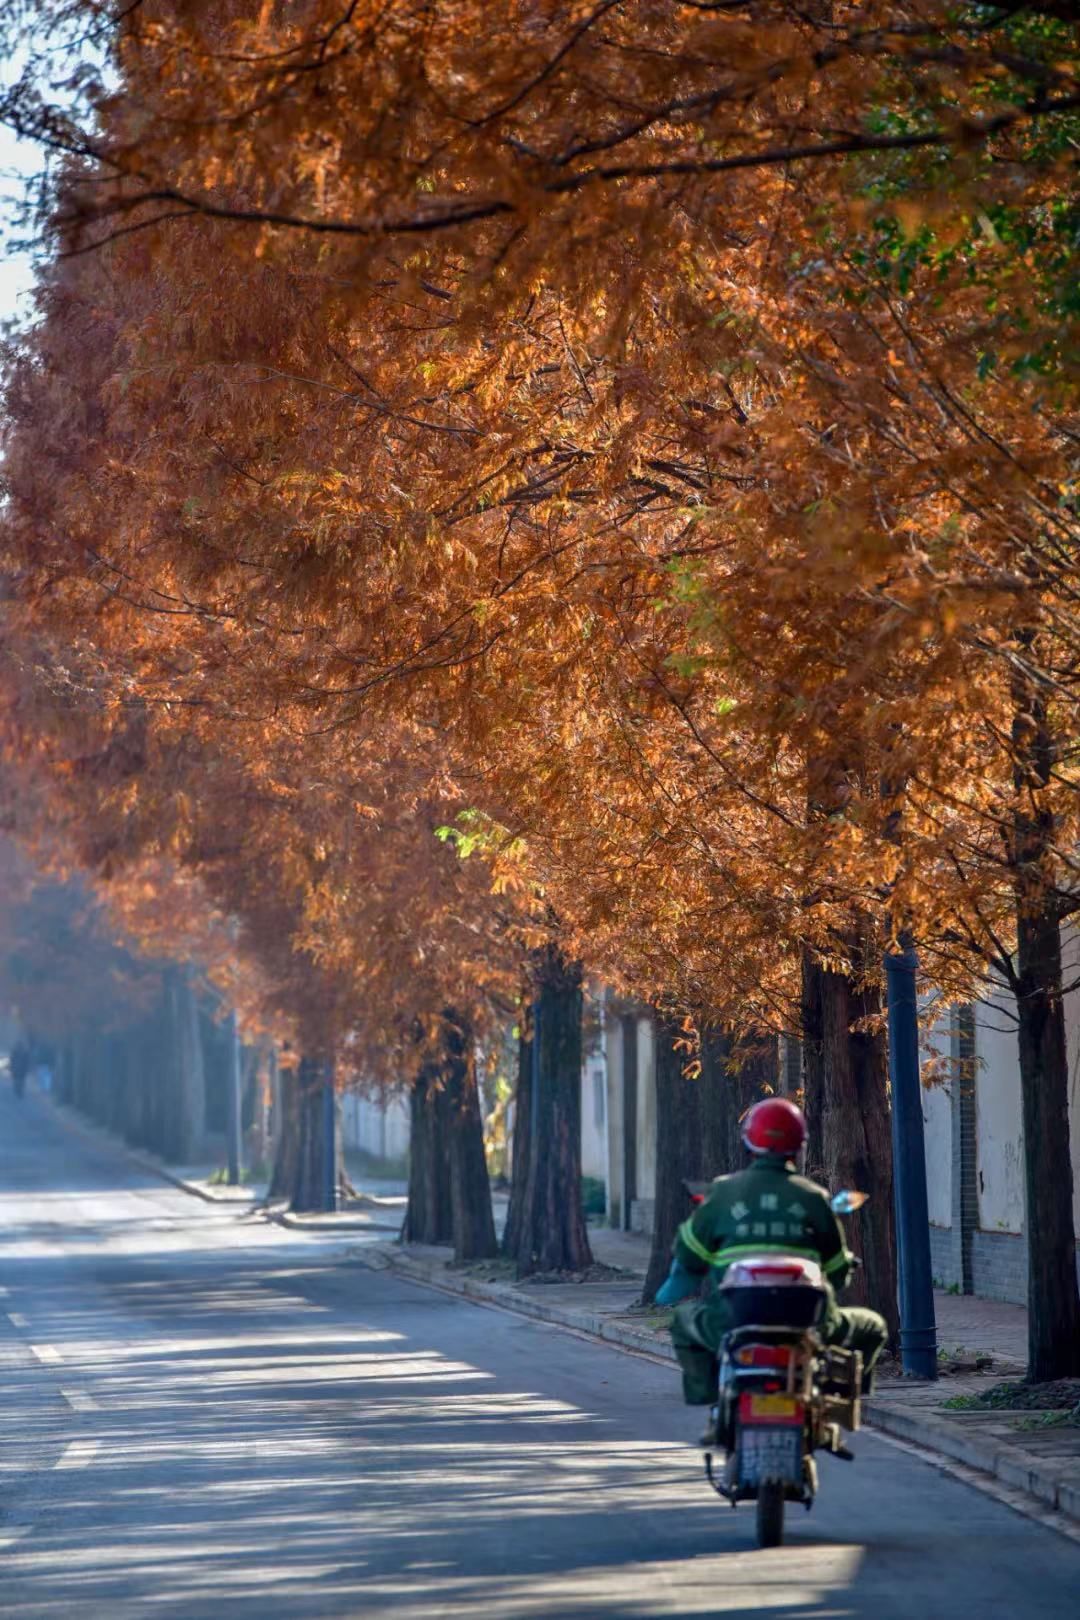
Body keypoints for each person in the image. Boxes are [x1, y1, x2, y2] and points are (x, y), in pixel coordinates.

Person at [656, 1097, 888, 1438]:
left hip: (733, 1318)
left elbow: (689, 1257)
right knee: (872, 1327)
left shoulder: (722, 1193)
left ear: (749, 1143)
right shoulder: (812, 1197)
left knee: (683, 1322)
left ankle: (713, 1407)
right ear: (799, 1146)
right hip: (807, 1321)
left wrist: (669, 1292)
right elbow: (837, 1269)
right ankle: (834, 1405)